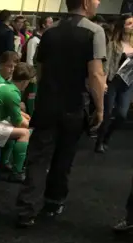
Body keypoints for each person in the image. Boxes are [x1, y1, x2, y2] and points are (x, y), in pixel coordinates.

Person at [15, 0, 106, 228]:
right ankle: (53, 203)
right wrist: (101, 108)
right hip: (74, 106)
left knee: (37, 157)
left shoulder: (50, 31)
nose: (99, 2)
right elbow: (95, 75)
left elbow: (41, 70)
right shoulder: (95, 31)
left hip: (47, 105)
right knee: (64, 157)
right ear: (85, 3)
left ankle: (26, 209)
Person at [95, 14, 133, 153]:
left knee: (122, 115)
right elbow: (107, 64)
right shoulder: (113, 43)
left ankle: (107, 137)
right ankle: (99, 141)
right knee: (107, 113)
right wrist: (103, 82)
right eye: (129, 23)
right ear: (123, 25)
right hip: (112, 81)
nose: (132, 26)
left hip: (128, 83)